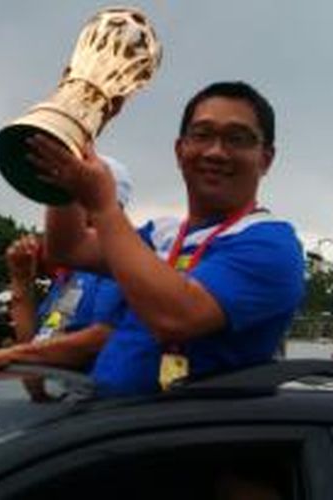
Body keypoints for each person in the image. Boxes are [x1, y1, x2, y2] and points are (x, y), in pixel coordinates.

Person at [22, 81, 305, 397]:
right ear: (180, 150)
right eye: (202, 135)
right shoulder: (162, 234)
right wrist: (75, 135)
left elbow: (175, 317)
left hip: (181, 440)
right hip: (109, 429)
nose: (216, 152)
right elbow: (69, 248)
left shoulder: (271, 243)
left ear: (265, 159)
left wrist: (103, 205)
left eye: (237, 139)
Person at [0, 158, 132, 377]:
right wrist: (21, 280)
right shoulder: (67, 275)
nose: (58, 208)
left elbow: (104, 338)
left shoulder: (116, 260)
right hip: (52, 399)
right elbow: (35, 344)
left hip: (87, 401)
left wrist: (10, 356)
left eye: (70, 195)